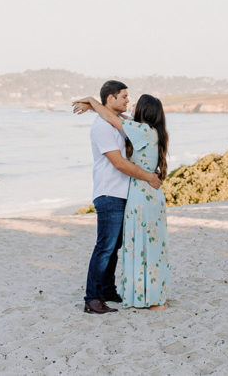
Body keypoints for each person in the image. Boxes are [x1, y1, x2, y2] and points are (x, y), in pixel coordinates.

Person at [74, 89, 171, 311]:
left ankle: (142, 296)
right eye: (126, 98)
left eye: (134, 103)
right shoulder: (151, 131)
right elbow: (117, 118)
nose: (130, 104)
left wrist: (91, 101)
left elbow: (113, 119)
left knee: (137, 246)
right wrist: (96, 107)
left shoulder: (141, 130)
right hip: (145, 194)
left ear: (144, 111)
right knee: (144, 246)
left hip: (142, 194)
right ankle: (126, 293)